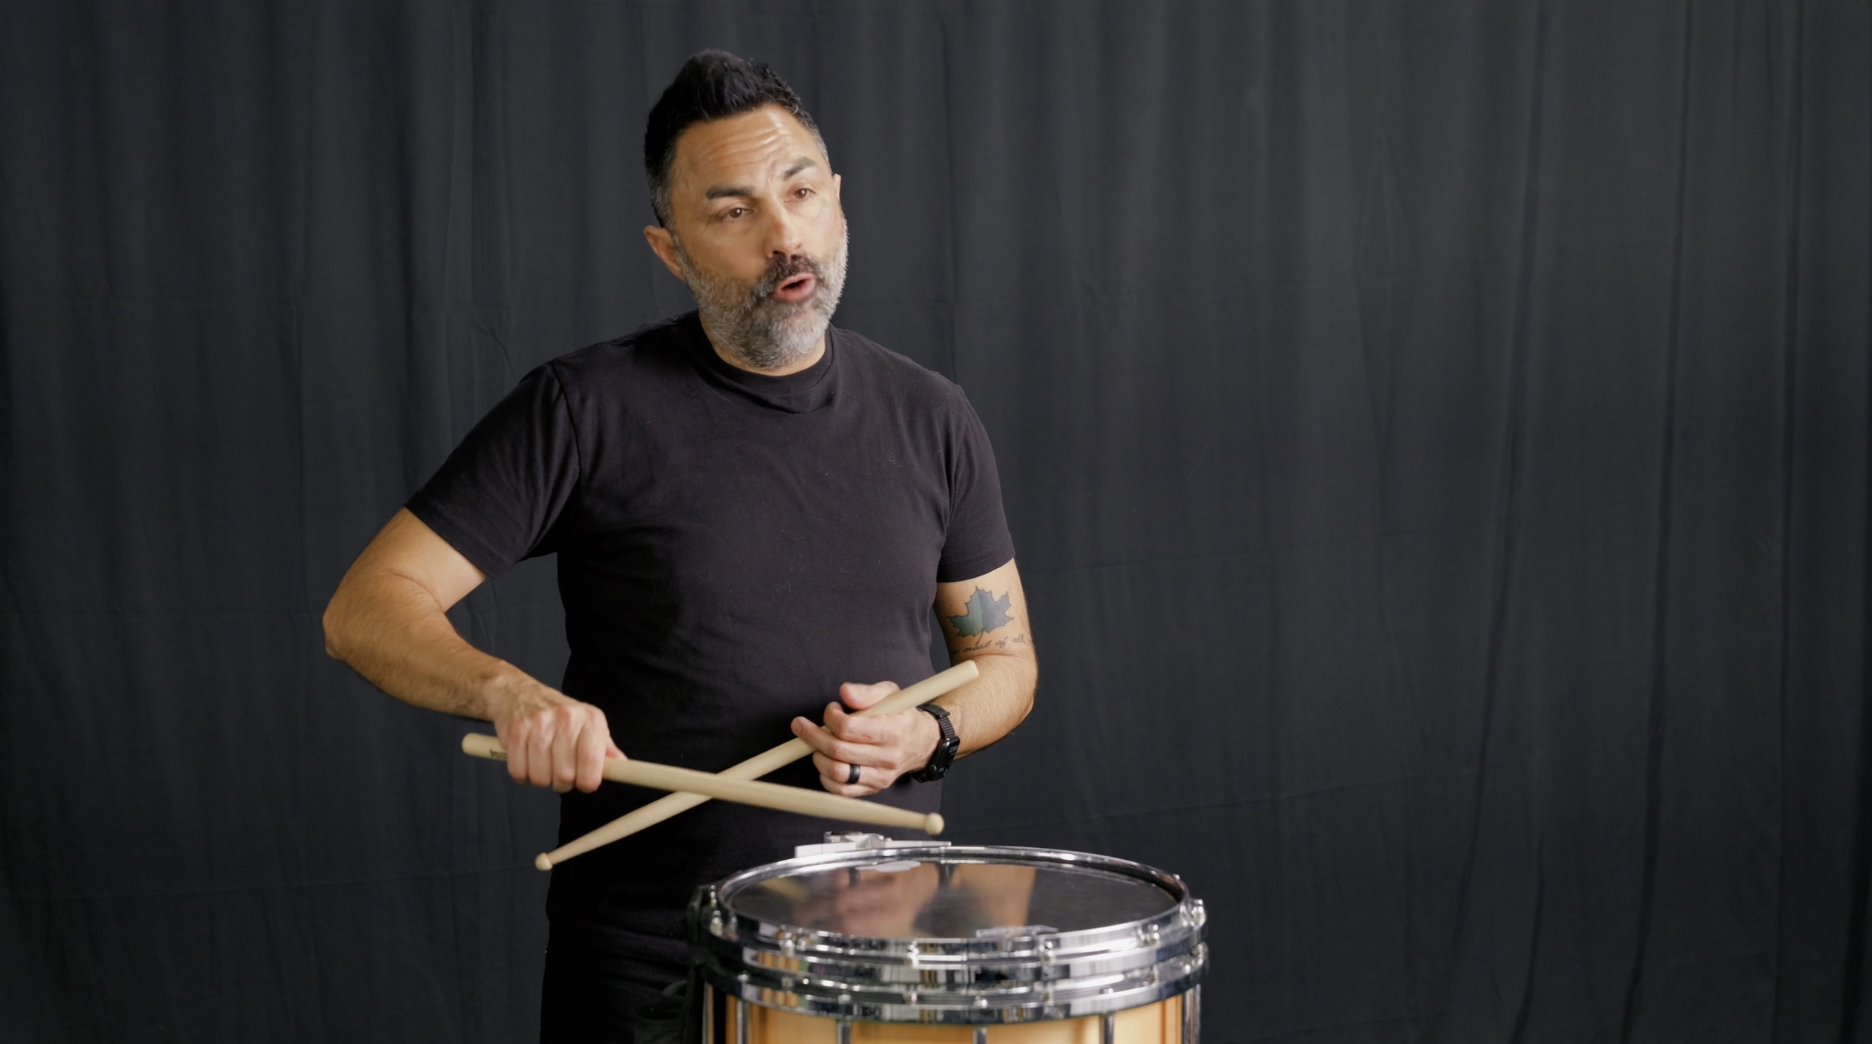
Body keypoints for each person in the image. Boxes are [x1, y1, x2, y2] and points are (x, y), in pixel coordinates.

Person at [321, 50, 1038, 1041]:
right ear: (671, 249)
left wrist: (928, 732)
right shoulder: (585, 409)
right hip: (657, 963)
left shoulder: (934, 417)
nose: (785, 237)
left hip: (879, 961)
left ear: (838, 203)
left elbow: (1003, 659)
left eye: (799, 194)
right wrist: (506, 692)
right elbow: (365, 606)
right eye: (734, 211)